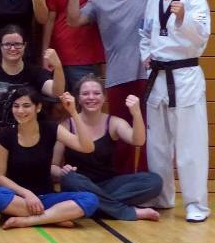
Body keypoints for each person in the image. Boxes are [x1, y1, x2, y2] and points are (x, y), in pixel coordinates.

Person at [66, 0, 163, 174]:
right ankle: (122, 181)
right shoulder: (101, 0)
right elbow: (73, 20)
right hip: (118, 77)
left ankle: (148, 182)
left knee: (152, 132)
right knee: (121, 135)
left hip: (151, 75)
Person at [139, 0, 210, 222]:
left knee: (190, 144)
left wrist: (183, 18)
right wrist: (146, 55)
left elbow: (202, 37)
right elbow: (145, 34)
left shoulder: (195, 1)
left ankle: (196, 204)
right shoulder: (152, 1)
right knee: (157, 144)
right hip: (157, 76)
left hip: (185, 76)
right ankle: (162, 196)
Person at [53, 77, 161, 221]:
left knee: (154, 181)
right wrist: (61, 172)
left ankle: (92, 206)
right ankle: (124, 211)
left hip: (108, 184)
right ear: (78, 98)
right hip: (78, 184)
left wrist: (136, 113)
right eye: (85, 94)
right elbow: (53, 166)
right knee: (69, 178)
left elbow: (138, 141)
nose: (91, 97)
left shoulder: (113, 122)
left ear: (104, 97)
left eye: (97, 93)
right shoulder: (66, 125)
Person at [0, 88, 98, 228]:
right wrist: (27, 194)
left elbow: (87, 147)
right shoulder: (5, 135)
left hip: (46, 197)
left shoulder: (50, 128)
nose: (20, 111)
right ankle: (54, 217)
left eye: (26, 106)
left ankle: (29, 220)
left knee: (90, 199)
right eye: (16, 106)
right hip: (18, 198)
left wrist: (73, 112)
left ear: (38, 107)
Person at [0, 25, 64, 140]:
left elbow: (57, 92)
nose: (12, 48)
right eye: (7, 44)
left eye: (17, 44)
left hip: (28, 135)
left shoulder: (35, 72)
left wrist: (58, 67)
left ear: (24, 45)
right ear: (0, 46)